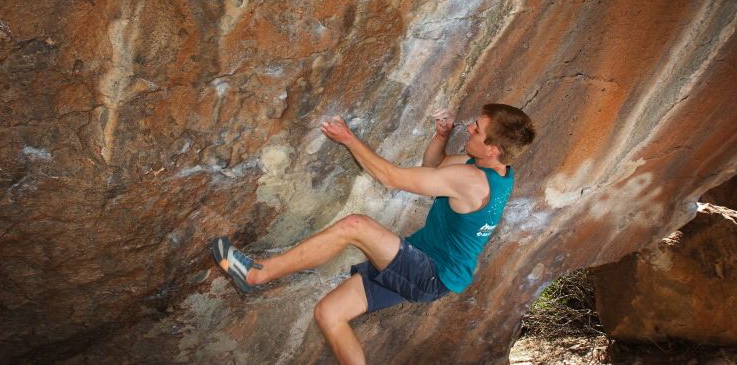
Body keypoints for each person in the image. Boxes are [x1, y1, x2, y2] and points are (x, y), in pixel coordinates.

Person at [211, 103, 535, 364]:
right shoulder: (498, 171)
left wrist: (349, 139)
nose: (470, 127)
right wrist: (441, 134)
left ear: (492, 148)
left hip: (430, 273)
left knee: (356, 227)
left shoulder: (471, 180)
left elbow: (392, 178)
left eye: (477, 129)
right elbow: (435, 167)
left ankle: (256, 275)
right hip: (425, 266)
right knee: (330, 313)